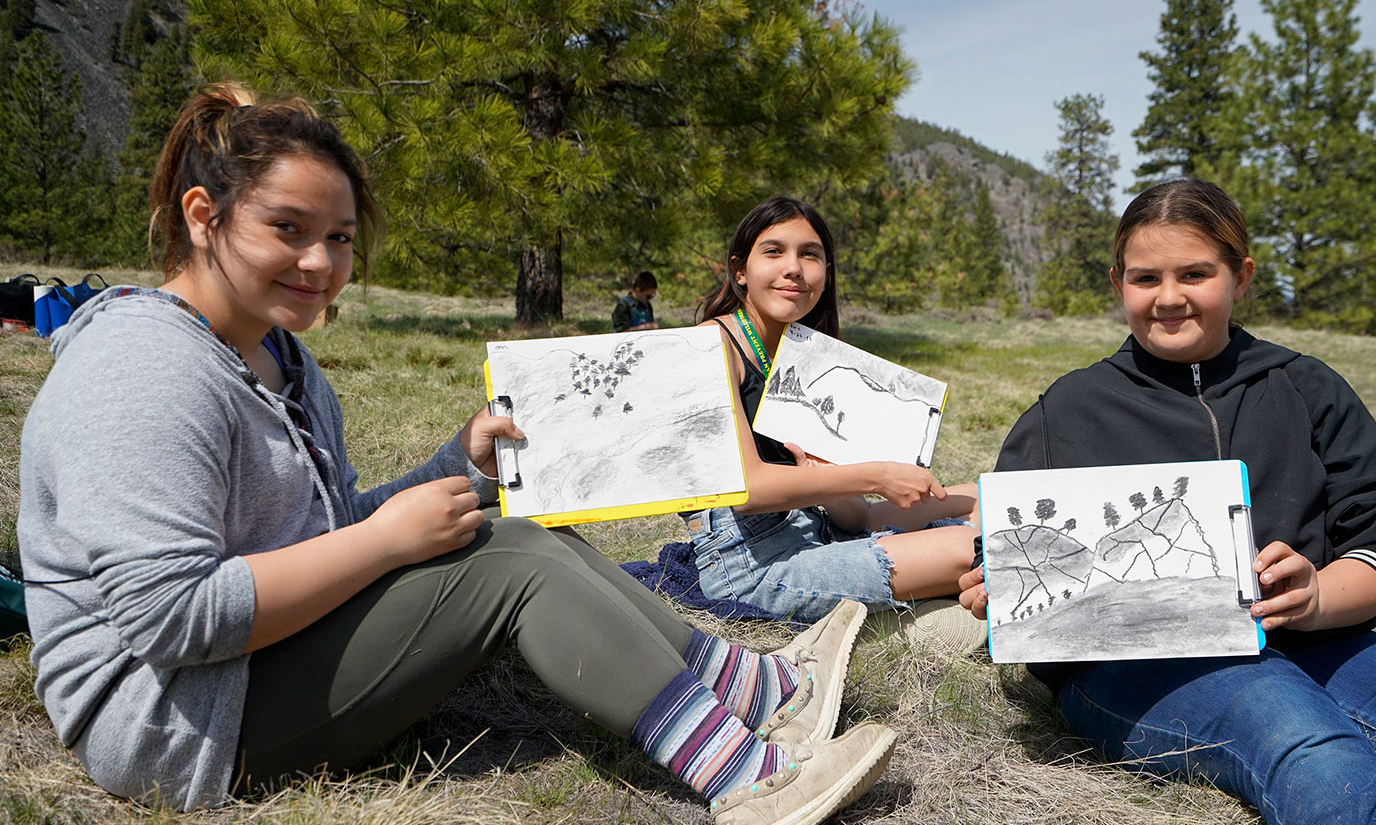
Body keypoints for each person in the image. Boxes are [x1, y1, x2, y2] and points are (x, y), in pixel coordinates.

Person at [16, 83, 898, 821]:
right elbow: (171, 618)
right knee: (503, 569)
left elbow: (325, 527)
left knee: (516, 526)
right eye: (289, 228)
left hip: (258, 659)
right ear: (202, 217)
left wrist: (461, 466)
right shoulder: (139, 367)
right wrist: (384, 542)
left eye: (341, 236)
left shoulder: (280, 355)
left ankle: (756, 691)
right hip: (179, 720)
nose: (321, 261)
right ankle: (744, 778)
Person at [956, 179, 1376, 824]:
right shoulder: (1066, 409)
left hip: (1319, 642)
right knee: (1317, 754)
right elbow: (1006, 555)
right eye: (1144, 278)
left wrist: (1318, 598)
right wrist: (995, 585)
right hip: (1131, 670)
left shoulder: (1308, 387)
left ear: (1241, 276)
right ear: (1116, 282)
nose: (1168, 298)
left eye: (1194, 273)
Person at [684, 196, 981, 639]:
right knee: (966, 549)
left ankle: (917, 598)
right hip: (750, 564)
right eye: (773, 251)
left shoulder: (807, 357)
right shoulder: (713, 344)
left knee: (983, 499)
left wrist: (831, 476)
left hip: (813, 529)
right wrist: (876, 476)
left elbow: (850, 517)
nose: (794, 267)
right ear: (740, 270)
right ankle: (927, 612)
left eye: (810, 254)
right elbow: (747, 492)